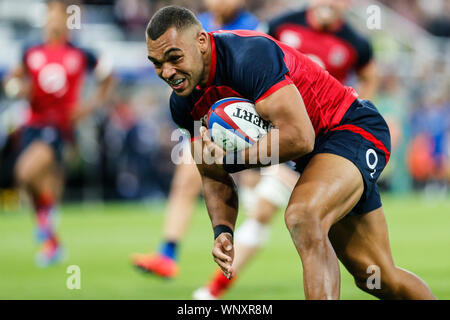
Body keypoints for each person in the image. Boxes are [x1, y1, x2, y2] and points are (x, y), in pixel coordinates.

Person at [145, 5, 436, 299]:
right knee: (376, 276)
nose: (167, 72)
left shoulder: (248, 55)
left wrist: (233, 160)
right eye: (157, 63)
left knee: (303, 215)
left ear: (202, 42)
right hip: (316, 157)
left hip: (351, 129)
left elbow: (299, 137)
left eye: (174, 58)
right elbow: (212, 174)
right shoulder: (183, 104)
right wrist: (223, 230)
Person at [194, 0, 380, 299]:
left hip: (324, 137)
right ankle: (212, 290)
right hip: (279, 133)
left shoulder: (356, 42)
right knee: (281, 216)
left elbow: (370, 76)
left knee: (273, 213)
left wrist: (359, 100)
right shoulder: (283, 24)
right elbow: (254, 60)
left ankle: (212, 292)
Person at [131, 0, 260, 279]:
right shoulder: (190, 26)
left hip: (247, 126)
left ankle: (247, 241)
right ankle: (168, 253)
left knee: (260, 199)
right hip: (205, 123)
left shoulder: (252, 27)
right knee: (186, 180)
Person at [3, 0, 114, 267]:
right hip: (32, 125)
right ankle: (52, 243)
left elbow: (107, 78)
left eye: (58, 16)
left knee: (25, 172)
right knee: (41, 185)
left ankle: (48, 219)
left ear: (67, 21)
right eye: (50, 15)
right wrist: (17, 88)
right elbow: (12, 80)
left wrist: (87, 108)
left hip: (59, 127)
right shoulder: (31, 51)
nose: (53, 21)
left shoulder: (80, 53)